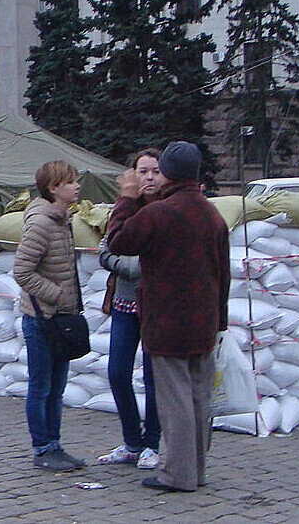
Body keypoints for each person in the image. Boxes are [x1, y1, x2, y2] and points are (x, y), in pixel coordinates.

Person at [107, 141, 229, 493]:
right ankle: (197, 471)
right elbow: (224, 273)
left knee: (174, 401)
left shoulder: (159, 213)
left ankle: (177, 474)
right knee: (198, 400)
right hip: (204, 322)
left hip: (168, 323)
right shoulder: (212, 213)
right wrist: (220, 320)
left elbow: (117, 241)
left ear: (168, 174)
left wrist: (127, 200)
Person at [12, 160, 88, 472]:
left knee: (56, 389)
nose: (77, 186)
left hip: (61, 319)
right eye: (70, 182)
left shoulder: (63, 219)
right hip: (41, 320)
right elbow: (22, 271)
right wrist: (56, 294)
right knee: (41, 387)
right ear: (53, 187)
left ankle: (55, 445)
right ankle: (42, 447)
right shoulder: (41, 223)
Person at [96, 148, 163, 470]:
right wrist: (135, 266)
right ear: (133, 175)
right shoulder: (125, 211)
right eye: (143, 171)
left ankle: (152, 443)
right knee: (118, 372)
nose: (149, 177)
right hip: (125, 303)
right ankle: (131, 440)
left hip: (157, 307)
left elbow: (166, 260)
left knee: (154, 377)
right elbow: (105, 251)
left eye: (155, 171)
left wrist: (135, 266)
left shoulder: (167, 210)